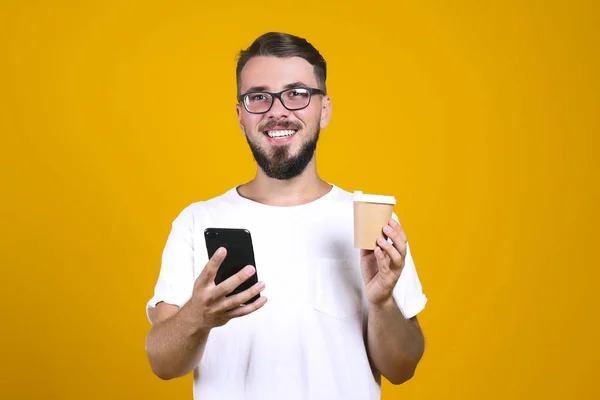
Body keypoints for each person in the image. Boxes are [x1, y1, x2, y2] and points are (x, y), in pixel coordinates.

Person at [144, 31, 428, 400]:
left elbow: (402, 369)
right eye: (258, 97)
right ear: (240, 115)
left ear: (323, 109)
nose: (278, 110)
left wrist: (382, 302)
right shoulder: (196, 222)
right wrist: (198, 316)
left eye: (297, 94)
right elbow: (163, 365)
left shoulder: (368, 218)